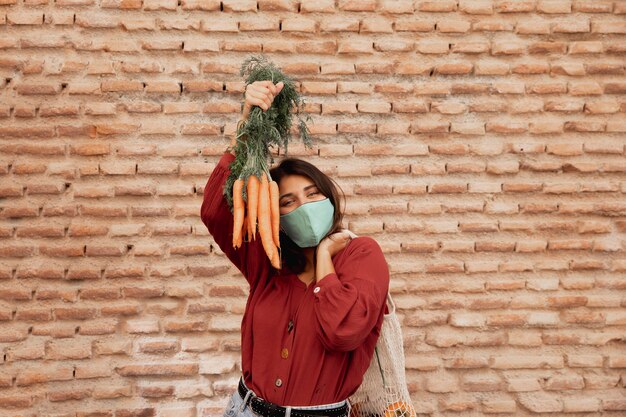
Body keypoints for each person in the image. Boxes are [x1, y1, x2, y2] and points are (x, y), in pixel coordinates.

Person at [200, 80, 390, 417]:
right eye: (287, 202)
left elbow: (341, 332)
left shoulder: (362, 255)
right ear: (277, 215)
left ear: (330, 197)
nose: (303, 206)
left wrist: (323, 260)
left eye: (313, 194)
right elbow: (215, 210)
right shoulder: (267, 260)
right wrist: (246, 126)